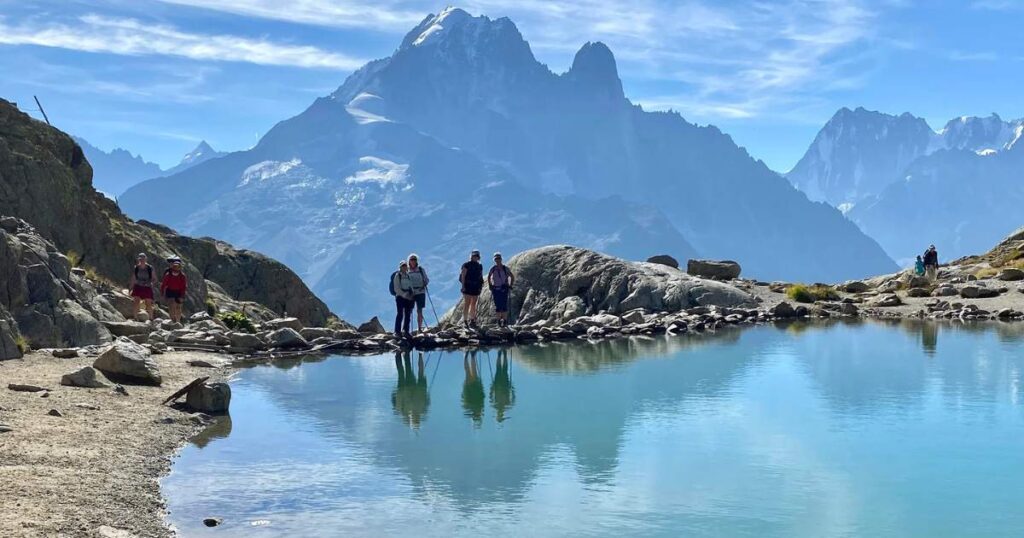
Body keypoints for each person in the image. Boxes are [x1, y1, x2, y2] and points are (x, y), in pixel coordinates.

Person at [488, 252, 515, 327]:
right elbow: (489, 276)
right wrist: (490, 285)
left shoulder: (505, 268)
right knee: (498, 306)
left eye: (498, 258)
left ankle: (504, 321)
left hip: (503, 289)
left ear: (501, 259)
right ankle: (499, 321)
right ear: (494, 260)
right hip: (496, 289)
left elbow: (512, 276)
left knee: (503, 305)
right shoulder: (493, 269)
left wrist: (510, 285)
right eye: (496, 259)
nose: (497, 260)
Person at [459, 250, 484, 328]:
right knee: (467, 303)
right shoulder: (466, 265)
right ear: (471, 256)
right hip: (468, 286)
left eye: (476, 256)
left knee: (473, 304)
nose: (475, 257)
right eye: (474, 256)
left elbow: (480, 276)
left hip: (476, 287)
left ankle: (472, 319)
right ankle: (465, 320)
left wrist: (480, 286)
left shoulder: (479, 266)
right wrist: (463, 286)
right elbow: (463, 276)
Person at [128, 253, 155, 321]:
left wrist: (150, 283)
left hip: (147, 287)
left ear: (146, 259)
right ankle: (135, 317)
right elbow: (133, 278)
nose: (142, 260)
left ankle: (151, 318)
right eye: (140, 259)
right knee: (136, 301)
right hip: (138, 286)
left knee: (148, 303)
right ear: (138, 259)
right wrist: (130, 288)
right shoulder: (136, 267)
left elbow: (154, 279)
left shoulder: (150, 268)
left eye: (143, 258)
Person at [406, 254, 430, 332]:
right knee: (409, 311)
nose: (413, 261)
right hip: (411, 293)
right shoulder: (406, 270)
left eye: (415, 259)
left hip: (420, 292)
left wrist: (423, 285)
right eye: (412, 259)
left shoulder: (421, 269)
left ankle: (419, 328)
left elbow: (426, 280)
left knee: (419, 310)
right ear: (409, 261)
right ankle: (406, 329)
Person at [160, 257, 188, 323]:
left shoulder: (182, 276)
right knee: (171, 305)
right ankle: (172, 320)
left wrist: (182, 296)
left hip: (179, 292)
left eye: (178, 266)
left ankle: (178, 321)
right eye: (175, 266)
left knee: (178, 307)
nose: (176, 268)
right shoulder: (168, 275)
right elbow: (163, 284)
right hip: (170, 291)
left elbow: (184, 286)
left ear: (180, 267)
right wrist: (162, 293)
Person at [391, 260, 414, 337]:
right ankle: (397, 331)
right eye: (403, 266)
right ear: (400, 267)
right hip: (400, 297)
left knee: (407, 314)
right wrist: (404, 295)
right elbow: (396, 289)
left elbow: (411, 286)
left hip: (408, 297)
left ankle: (406, 331)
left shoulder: (408, 276)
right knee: (400, 314)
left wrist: (411, 294)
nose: (404, 267)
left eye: (405, 266)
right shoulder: (397, 276)